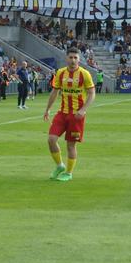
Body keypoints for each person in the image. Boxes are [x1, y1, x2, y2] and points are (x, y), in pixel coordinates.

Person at [43, 48, 96, 182]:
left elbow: (91, 93)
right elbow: (54, 92)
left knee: (71, 145)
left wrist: (83, 109)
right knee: (51, 139)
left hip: (76, 116)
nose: (73, 60)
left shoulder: (84, 74)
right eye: (71, 57)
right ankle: (60, 165)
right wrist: (48, 109)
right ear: (66, 58)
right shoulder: (60, 73)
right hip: (62, 113)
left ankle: (69, 173)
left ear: (79, 59)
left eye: (75, 58)